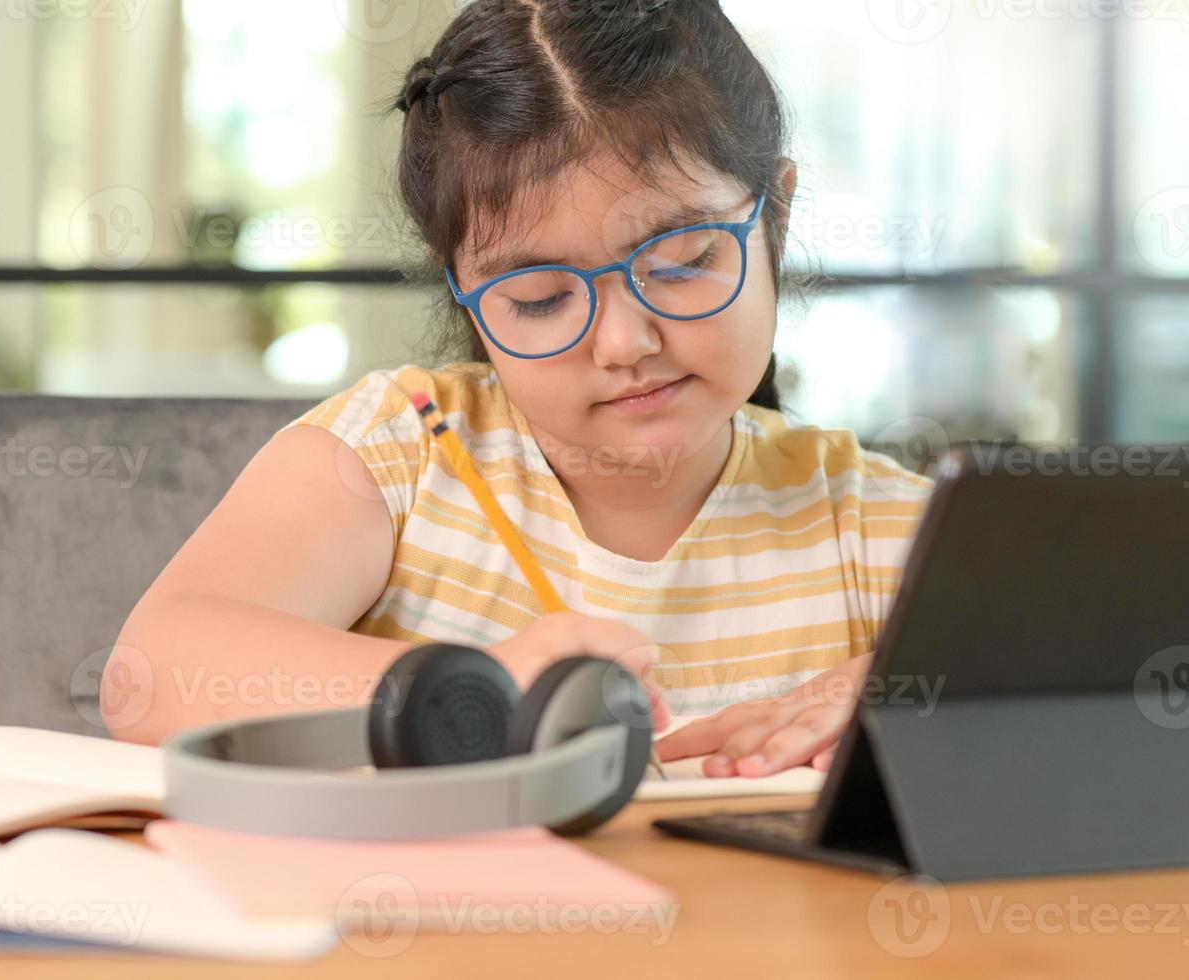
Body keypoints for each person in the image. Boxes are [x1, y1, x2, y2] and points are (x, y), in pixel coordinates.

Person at [106, 0, 932, 779]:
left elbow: (1059, 649)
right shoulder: (402, 451)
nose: (623, 342)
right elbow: (151, 672)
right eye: (538, 297)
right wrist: (472, 689)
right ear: (465, 294)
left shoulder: (859, 516)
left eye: (681, 262)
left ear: (773, 222)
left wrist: (922, 690)